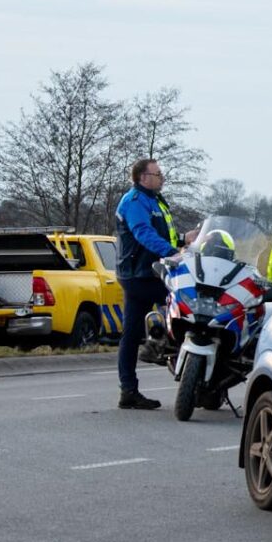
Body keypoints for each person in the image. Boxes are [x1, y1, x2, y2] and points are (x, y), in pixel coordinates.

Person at [115, 157, 178, 410]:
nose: (161, 177)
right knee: (181, 305)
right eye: (157, 173)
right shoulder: (135, 202)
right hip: (138, 274)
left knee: (130, 333)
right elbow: (143, 233)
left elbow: (161, 233)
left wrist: (184, 240)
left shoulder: (154, 200)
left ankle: (128, 391)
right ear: (143, 177)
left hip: (150, 271)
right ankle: (158, 343)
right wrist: (172, 252)